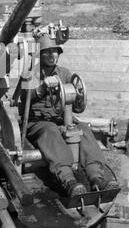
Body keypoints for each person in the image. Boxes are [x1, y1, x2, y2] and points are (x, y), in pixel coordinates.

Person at [21, 34, 119, 197]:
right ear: (40, 55)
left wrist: (78, 94)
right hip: (37, 122)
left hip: (61, 119)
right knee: (51, 130)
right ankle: (68, 180)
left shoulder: (65, 73)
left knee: (83, 129)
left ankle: (96, 178)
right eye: (47, 52)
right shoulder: (30, 74)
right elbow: (24, 102)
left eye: (55, 52)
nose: (52, 55)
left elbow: (74, 97)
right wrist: (41, 90)